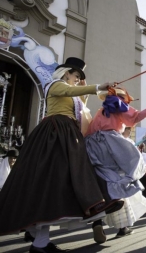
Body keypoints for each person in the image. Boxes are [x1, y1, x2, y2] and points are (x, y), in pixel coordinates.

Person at [0, 57, 122, 252]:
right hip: (54, 134)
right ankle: (39, 240)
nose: (77, 79)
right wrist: (97, 86)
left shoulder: (70, 91)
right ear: (66, 73)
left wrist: (88, 91)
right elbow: (68, 91)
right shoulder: (54, 84)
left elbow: (80, 108)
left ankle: (41, 239)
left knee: (61, 182)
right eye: (76, 75)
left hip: (67, 134)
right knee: (51, 181)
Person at [85, 87, 146, 242]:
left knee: (103, 181)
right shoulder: (117, 104)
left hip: (92, 146)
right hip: (110, 142)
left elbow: (89, 130)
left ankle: (98, 221)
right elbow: (134, 118)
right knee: (122, 177)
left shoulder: (101, 110)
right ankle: (122, 227)